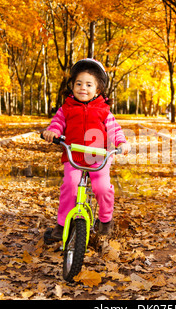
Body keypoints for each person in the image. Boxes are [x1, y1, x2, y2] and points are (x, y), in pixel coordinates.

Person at [42, 58, 130, 241]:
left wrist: (122, 143)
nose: (83, 88)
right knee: (70, 186)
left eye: (89, 84)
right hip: (73, 155)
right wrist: (52, 132)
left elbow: (115, 130)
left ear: (97, 90)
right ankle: (62, 224)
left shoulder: (104, 111)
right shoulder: (66, 108)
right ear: (72, 86)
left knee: (102, 187)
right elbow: (58, 124)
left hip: (98, 157)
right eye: (79, 83)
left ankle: (105, 221)